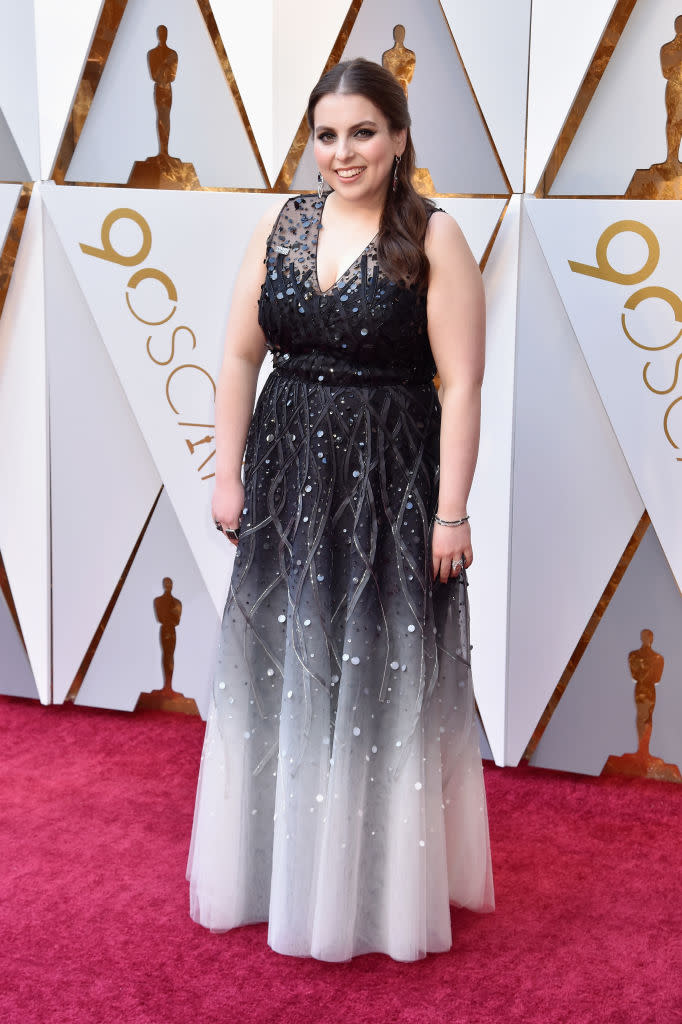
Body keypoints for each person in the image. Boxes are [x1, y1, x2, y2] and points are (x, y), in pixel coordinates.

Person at [187, 57, 494, 963]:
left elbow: (464, 383)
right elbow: (241, 357)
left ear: (399, 137)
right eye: (327, 135)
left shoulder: (435, 237)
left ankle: (375, 895)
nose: (343, 152)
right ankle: (280, 872)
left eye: (363, 132)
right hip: (285, 483)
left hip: (392, 484)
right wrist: (228, 473)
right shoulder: (279, 225)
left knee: (374, 679)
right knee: (290, 667)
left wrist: (452, 512)